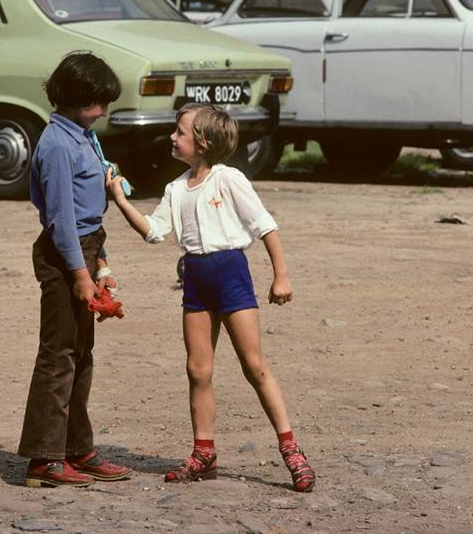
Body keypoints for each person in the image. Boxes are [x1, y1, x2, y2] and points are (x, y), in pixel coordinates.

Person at [105, 103, 316, 492]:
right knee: (197, 370)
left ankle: (291, 449)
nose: (172, 136)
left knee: (254, 366)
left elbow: (265, 226)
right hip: (197, 280)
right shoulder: (174, 189)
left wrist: (281, 276)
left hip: (232, 275)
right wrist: (119, 200)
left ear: (202, 142)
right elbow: (154, 232)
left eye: (180, 132)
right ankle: (204, 452)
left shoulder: (229, 179)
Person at [17, 52, 133, 488]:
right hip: (65, 255)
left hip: (86, 250)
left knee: (81, 355)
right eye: (95, 103)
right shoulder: (57, 145)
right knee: (58, 355)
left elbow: (90, 215)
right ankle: (43, 458)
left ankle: (75, 447)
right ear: (71, 97)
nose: (102, 111)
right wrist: (80, 276)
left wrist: (101, 265)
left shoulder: (83, 135)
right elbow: (62, 220)